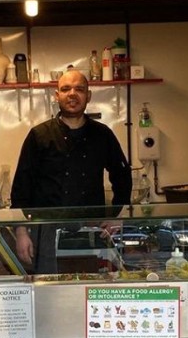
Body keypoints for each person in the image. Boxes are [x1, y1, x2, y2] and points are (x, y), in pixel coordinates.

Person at [10, 70, 132, 273]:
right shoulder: (39, 135)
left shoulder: (103, 135)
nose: (72, 94)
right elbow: (21, 189)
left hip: (91, 231)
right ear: (56, 95)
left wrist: (117, 215)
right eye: (66, 89)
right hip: (46, 233)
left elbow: (122, 177)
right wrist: (22, 232)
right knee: (50, 293)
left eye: (79, 89)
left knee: (90, 293)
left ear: (88, 96)